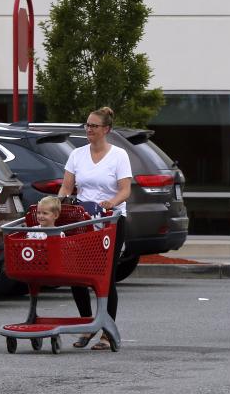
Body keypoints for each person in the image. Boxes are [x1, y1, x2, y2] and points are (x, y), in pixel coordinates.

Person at [57, 106, 132, 350]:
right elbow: (67, 186)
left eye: (94, 126)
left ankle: (107, 332)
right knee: (77, 277)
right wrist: (62, 199)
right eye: (87, 125)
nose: (89, 129)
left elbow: (125, 189)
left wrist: (112, 202)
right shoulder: (77, 155)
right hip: (82, 221)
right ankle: (87, 325)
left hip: (110, 221)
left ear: (106, 129)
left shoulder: (119, 155)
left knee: (105, 278)